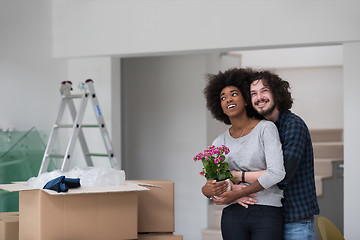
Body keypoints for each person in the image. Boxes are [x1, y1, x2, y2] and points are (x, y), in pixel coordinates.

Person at [201, 68, 286, 240]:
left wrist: (236, 192)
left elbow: (276, 173)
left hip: (267, 211)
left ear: (246, 100)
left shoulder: (266, 129)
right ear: (220, 108)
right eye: (223, 98)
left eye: (234, 94)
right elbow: (215, 184)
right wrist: (208, 190)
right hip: (233, 215)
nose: (228, 99)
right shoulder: (219, 142)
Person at [248, 70, 320, 240]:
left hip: (296, 220)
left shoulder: (293, 125)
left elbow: (281, 174)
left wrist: (240, 176)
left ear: (276, 93)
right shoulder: (260, 129)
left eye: (264, 90)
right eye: (253, 94)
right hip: (270, 217)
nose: (259, 97)